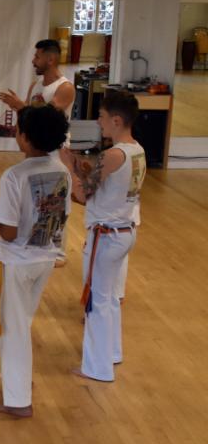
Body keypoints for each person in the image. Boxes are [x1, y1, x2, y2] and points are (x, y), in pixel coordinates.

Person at [0, 105, 71, 418]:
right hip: (44, 258)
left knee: (10, 328)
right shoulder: (60, 170)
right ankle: (19, 380)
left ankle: (18, 400)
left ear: (24, 137)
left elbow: (8, 232)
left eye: (18, 130)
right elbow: (57, 215)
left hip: (17, 262)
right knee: (20, 322)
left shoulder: (14, 175)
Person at [60, 91, 146, 382]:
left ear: (117, 120)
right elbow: (104, 186)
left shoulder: (111, 155)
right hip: (124, 230)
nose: (99, 121)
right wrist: (82, 168)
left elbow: (84, 195)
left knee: (96, 300)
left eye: (102, 116)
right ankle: (111, 352)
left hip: (106, 235)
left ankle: (96, 367)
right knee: (108, 298)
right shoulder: (137, 150)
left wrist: (70, 169)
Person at [0, 39, 76, 267]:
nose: (34, 60)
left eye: (37, 56)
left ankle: (58, 250)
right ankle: (34, 240)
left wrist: (20, 107)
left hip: (56, 149)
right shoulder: (36, 86)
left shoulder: (65, 87)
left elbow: (47, 119)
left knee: (56, 200)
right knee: (36, 197)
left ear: (50, 59)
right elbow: (32, 116)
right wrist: (21, 108)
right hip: (36, 146)